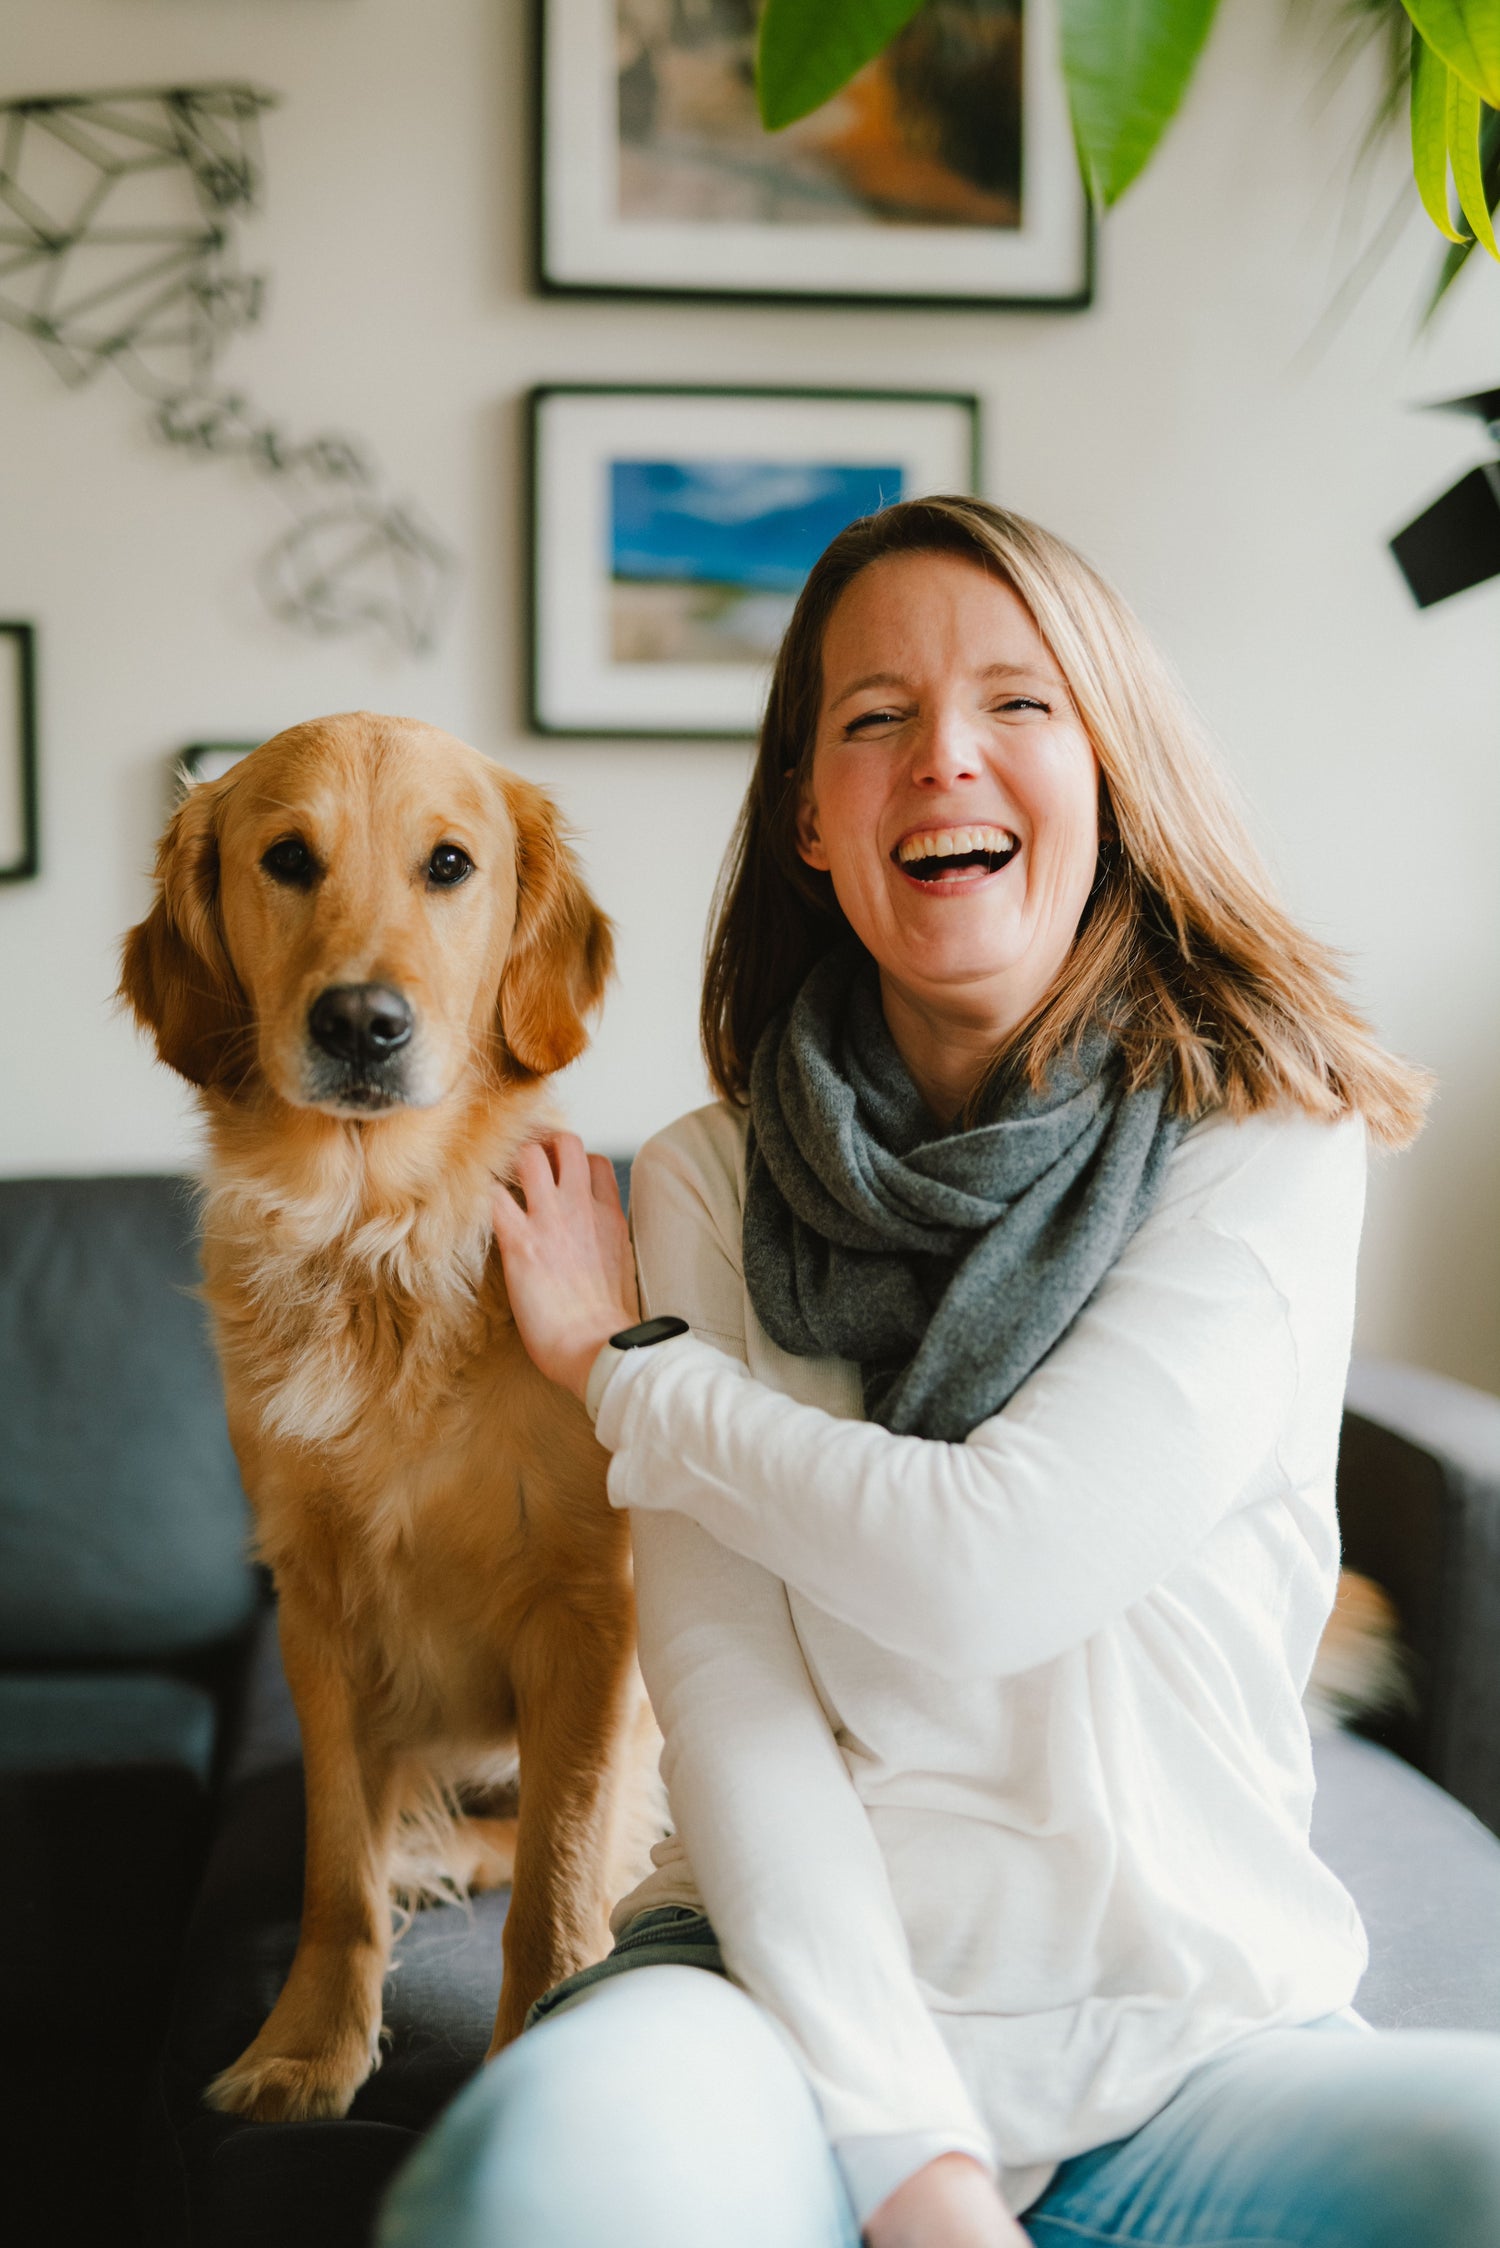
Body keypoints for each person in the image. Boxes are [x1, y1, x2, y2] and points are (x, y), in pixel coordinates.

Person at [378, 499, 1500, 2248]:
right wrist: (912, 2162)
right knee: (527, 2196)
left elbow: (996, 1564)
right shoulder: (700, 1181)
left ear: (1113, 771)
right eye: (873, 718)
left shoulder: (1269, 1138)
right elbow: (737, 1718)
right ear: (814, 822)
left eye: (1017, 702)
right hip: (766, 2012)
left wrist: (624, 1372)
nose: (943, 757)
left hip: (1188, 2040)